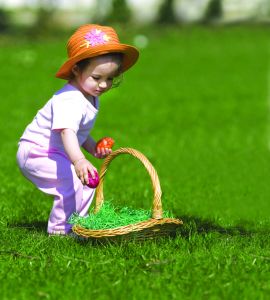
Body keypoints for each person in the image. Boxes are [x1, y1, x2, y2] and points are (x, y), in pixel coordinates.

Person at [16, 24, 139, 235]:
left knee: (86, 182)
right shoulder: (70, 99)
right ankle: (60, 231)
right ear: (76, 69)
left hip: (59, 152)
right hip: (37, 152)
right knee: (71, 183)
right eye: (97, 77)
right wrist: (79, 160)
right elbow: (67, 132)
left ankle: (77, 224)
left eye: (110, 78)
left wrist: (92, 149)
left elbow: (79, 132)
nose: (103, 85)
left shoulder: (90, 95)